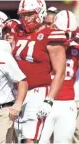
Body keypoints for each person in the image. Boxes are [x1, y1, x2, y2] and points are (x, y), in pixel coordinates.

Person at [13, 0, 67, 143]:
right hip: (16, 92)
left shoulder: (51, 35)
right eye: (23, 15)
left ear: (40, 12)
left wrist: (49, 99)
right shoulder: (17, 32)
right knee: (15, 135)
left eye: (30, 14)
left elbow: (60, 71)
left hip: (37, 91)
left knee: (29, 137)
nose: (25, 19)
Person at [39, 10, 78, 143]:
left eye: (69, 33)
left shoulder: (76, 48)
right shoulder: (44, 45)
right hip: (45, 100)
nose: (66, 37)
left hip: (67, 103)